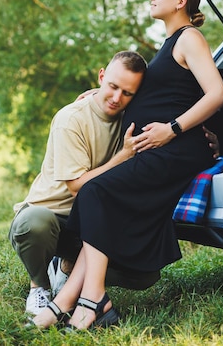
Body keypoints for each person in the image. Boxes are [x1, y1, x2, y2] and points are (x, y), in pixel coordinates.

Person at [32, 0, 223, 331]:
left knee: (95, 191)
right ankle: (69, 302)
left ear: (180, 1)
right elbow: (156, 93)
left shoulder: (190, 38)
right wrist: (99, 91)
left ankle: (91, 299)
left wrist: (172, 130)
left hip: (175, 148)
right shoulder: (168, 45)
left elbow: (217, 94)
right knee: (101, 198)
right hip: (158, 149)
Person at [9, 51, 147, 315]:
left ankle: (68, 268)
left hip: (92, 222)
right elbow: (77, 186)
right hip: (54, 217)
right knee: (33, 225)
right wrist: (123, 156)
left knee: (144, 274)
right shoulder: (70, 119)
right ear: (101, 76)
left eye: (127, 93)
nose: (117, 98)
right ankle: (39, 285)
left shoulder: (130, 117)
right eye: (112, 86)